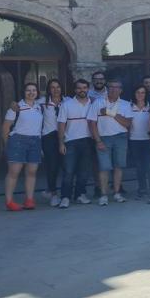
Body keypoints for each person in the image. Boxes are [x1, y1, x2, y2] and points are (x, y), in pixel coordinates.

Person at [88, 78, 132, 206]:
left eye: (117, 87)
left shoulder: (125, 104)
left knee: (119, 166)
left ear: (121, 90)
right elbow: (92, 123)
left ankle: (117, 193)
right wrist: (98, 141)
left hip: (120, 137)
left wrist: (110, 113)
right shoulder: (97, 103)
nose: (113, 89)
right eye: (111, 87)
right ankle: (103, 195)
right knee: (104, 167)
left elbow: (128, 123)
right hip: (103, 138)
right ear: (107, 89)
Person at [3, 82, 43, 211]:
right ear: (23, 92)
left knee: (32, 172)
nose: (31, 93)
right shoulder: (16, 107)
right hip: (18, 140)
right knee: (14, 172)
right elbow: (5, 127)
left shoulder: (39, 106)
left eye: (34, 90)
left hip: (35, 141)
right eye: (28, 90)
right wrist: (6, 144)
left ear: (37, 92)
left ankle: (29, 200)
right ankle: (9, 201)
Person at [57, 79, 94, 209]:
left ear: (88, 89)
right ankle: (65, 197)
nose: (82, 90)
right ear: (75, 90)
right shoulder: (66, 104)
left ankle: (80, 195)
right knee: (68, 171)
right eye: (79, 88)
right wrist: (61, 143)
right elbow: (61, 125)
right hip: (70, 141)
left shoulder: (93, 103)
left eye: (84, 87)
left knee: (84, 172)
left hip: (88, 141)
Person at [40, 79, 65, 206]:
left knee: (66, 166)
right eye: (52, 87)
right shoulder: (41, 103)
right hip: (48, 137)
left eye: (58, 87)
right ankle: (53, 193)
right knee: (52, 166)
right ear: (49, 89)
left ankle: (66, 194)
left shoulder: (68, 102)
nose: (55, 90)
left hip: (65, 137)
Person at [128, 85, 150, 201]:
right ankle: (142, 189)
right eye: (138, 92)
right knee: (139, 167)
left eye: (143, 92)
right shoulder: (129, 106)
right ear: (134, 94)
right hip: (134, 141)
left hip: (148, 140)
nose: (140, 94)